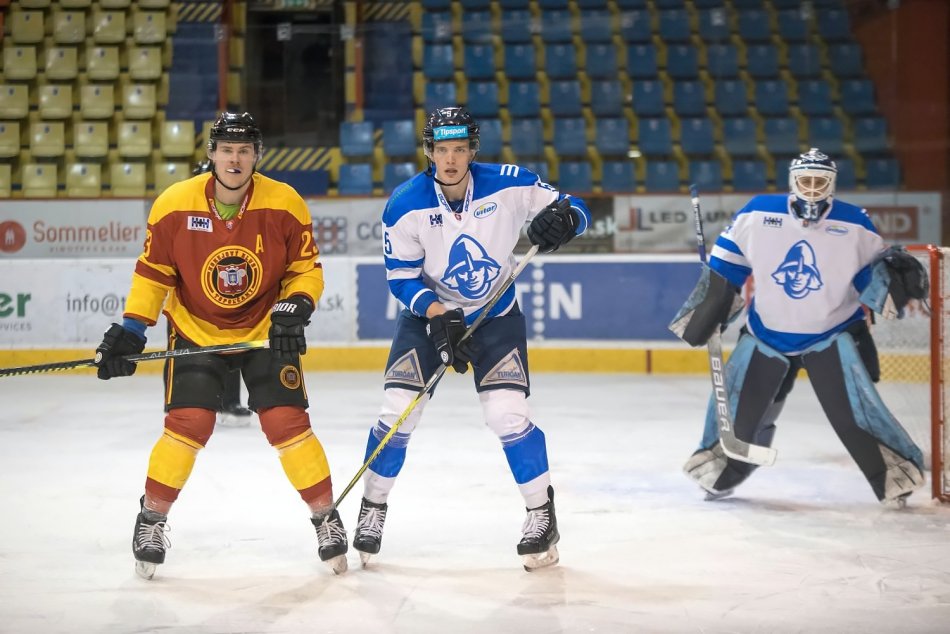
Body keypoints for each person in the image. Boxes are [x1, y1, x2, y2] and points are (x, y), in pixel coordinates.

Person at [93, 111, 348, 578]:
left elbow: (305, 269)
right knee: (189, 423)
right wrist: (132, 328)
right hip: (197, 329)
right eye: (227, 150)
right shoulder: (174, 204)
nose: (235, 159)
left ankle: (325, 517)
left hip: (263, 330)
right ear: (211, 154)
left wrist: (296, 305)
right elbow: (153, 274)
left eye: (244, 150)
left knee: (287, 422)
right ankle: (151, 519)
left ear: (257, 156)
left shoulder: (285, 202)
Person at [350, 106, 591, 571]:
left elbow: (576, 206)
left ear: (472, 150)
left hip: (495, 316)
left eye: (460, 149)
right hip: (428, 320)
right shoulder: (405, 203)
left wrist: (568, 221)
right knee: (398, 412)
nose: (451, 159)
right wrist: (437, 314)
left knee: (507, 415)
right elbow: (401, 277)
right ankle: (373, 507)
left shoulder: (508, 183)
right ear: (429, 152)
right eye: (442, 150)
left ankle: (541, 514)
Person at [670, 148, 928, 505]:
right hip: (766, 334)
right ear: (792, 182)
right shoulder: (758, 212)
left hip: (832, 333)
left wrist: (890, 280)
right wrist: (710, 306)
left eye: (820, 181)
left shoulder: (855, 222)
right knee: (739, 412)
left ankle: (896, 478)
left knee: (855, 415)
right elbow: (727, 266)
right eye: (805, 180)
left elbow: (869, 276)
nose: (812, 188)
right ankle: (718, 474)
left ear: (832, 184)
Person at [191, 160, 253, 428]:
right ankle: (183, 400)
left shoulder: (237, 209)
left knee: (231, 346)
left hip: (222, 292)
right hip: (192, 294)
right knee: (184, 350)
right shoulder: (186, 208)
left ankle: (229, 401)